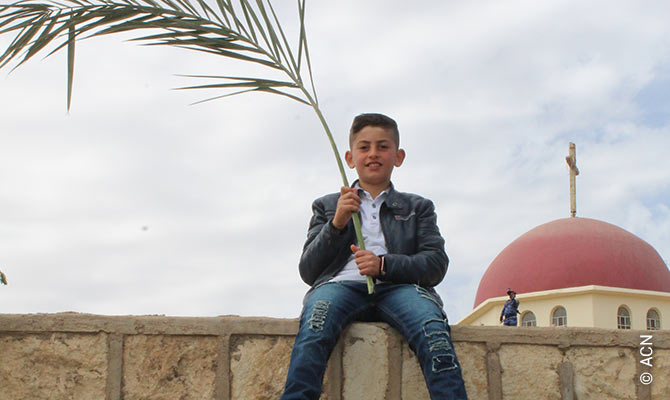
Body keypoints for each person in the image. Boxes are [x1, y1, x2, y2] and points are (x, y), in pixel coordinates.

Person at [281, 113, 468, 399]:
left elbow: (435, 265)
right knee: (314, 328)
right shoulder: (328, 205)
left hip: (401, 289)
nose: (373, 154)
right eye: (364, 147)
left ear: (398, 156)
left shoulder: (419, 207)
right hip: (340, 287)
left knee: (435, 335)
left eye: (383, 146)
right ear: (349, 157)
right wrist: (337, 223)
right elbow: (309, 271)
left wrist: (383, 265)